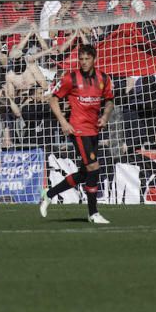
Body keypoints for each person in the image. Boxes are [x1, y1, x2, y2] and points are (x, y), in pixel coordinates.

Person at [39, 44, 114, 224]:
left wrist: (105, 116)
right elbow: (53, 100)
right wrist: (64, 122)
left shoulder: (103, 78)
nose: (84, 62)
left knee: (84, 173)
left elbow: (110, 101)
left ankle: (48, 195)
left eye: (87, 59)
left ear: (94, 60)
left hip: (94, 129)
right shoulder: (70, 78)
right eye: (81, 59)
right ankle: (93, 213)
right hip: (78, 129)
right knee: (94, 168)